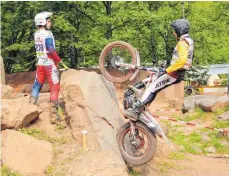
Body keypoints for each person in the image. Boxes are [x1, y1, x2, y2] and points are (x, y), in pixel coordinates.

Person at [124, 19, 194, 121]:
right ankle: (142, 105)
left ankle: (135, 111)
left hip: (174, 73)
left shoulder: (182, 43)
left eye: (174, 31)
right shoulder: (189, 41)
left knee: (151, 89)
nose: (173, 33)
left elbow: (182, 60)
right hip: (176, 72)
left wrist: (167, 70)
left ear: (179, 31)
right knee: (154, 83)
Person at [30, 12, 63, 124]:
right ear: (43, 22)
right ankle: (54, 116)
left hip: (40, 64)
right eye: (48, 21)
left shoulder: (36, 34)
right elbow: (50, 49)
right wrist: (58, 59)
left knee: (37, 85)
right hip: (49, 64)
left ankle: (30, 107)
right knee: (55, 87)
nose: (50, 23)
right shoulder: (47, 34)